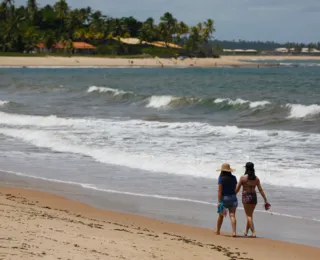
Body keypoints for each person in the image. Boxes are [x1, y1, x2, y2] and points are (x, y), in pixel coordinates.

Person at [235, 162, 269, 237]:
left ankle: (253, 232)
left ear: (246, 168)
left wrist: (233, 195)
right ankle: (246, 232)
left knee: (248, 215)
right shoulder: (256, 179)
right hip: (254, 197)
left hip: (246, 196)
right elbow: (260, 189)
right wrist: (265, 199)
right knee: (250, 215)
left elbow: (237, 189)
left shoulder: (243, 178)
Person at [216, 163, 238, 237]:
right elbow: (235, 189)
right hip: (233, 198)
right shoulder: (234, 178)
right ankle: (234, 232)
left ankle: (218, 231)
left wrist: (219, 201)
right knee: (232, 215)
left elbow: (220, 191)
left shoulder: (221, 179)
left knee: (221, 216)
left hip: (224, 198)